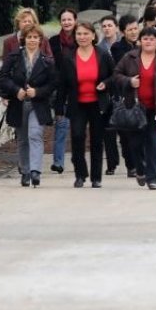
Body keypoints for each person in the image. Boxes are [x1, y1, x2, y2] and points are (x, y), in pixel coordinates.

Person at [113, 27, 156, 190]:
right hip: (135, 108)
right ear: (140, 41)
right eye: (145, 38)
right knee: (135, 144)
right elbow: (116, 75)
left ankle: (153, 178)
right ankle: (141, 169)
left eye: (152, 39)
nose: (148, 41)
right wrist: (129, 81)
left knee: (154, 143)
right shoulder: (129, 58)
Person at [54, 21, 115, 188]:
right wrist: (58, 108)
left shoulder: (103, 55)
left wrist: (106, 84)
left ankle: (96, 178)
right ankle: (80, 174)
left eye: (86, 34)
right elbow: (62, 85)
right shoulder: (68, 57)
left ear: (93, 36)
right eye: (79, 34)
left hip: (98, 104)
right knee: (78, 137)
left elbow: (114, 76)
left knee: (96, 141)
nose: (82, 37)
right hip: (77, 104)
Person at [0, 25, 56, 187]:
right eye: (29, 37)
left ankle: (36, 171)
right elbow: (2, 76)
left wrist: (37, 91)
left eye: (35, 37)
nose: (32, 40)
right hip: (19, 103)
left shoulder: (46, 60)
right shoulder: (14, 57)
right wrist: (16, 90)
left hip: (38, 104)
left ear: (40, 40)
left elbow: (52, 84)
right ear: (24, 39)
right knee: (22, 139)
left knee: (35, 134)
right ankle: (25, 171)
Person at [48, 7, 78, 174]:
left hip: (79, 88)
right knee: (61, 125)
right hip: (61, 90)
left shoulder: (82, 38)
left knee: (78, 127)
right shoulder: (53, 42)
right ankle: (58, 161)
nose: (67, 22)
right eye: (64, 19)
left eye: (69, 19)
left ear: (75, 20)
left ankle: (77, 159)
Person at [109, 14, 140, 177]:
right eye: (130, 30)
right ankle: (131, 165)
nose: (134, 32)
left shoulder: (144, 44)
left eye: (136, 28)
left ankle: (139, 161)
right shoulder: (117, 48)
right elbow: (121, 70)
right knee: (126, 134)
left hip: (141, 94)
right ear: (123, 31)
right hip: (124, 94)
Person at [98, 14, 122, 176]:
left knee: (126, 130)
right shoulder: (98, 48)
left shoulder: (122, 46)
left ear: (116, 28)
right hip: (106, 94)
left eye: (109, 25)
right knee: (108, 130)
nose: (107, 28)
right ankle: (111, 163)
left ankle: (131, 160)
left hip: (124, 91)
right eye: (104, 26)